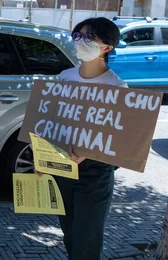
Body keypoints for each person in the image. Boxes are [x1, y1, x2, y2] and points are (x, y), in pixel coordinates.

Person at [48, 17, 126, 260]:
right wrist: (44, 160)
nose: (81, 41)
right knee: (70, 233)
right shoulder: (65, 76)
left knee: (87, 239)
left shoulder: (117, 86)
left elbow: (121, 143)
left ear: (107, 47)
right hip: (63, 167)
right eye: (78, 36)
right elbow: (53, 123)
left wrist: (89, 152)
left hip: (96, 172)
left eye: (90, 37)